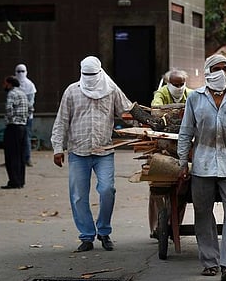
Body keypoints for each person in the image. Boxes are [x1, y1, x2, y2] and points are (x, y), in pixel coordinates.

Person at [177, 54, 226, 281]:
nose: (221, 72)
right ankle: (210, 261)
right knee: (203, 213)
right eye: (216, 68)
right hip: (202, 166)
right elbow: (186, 133)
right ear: (207, 71)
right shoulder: (195, 99)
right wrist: (183, 163)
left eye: (225, 68)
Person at [51, 56, 133, 252]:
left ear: (100, 72)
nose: (90, 79)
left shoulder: (111, 89)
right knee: (79, 196)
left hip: (104, 150)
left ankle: (104, 231)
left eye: (93, 75)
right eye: (86, 75)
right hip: (78, 152)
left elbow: (127, 111)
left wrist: (146, 123)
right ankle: (87, 236)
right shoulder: (72, 91)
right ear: (81, 73)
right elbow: (62, 120)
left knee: (107, 190)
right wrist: (57, 148)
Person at [148, 69, 192, 239]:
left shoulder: (191, 94)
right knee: (157, 188)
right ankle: (156, 226)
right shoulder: (161, 93)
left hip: (188, 144)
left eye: (181, 84)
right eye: (175, 84)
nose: (179, 87)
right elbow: (155, 108)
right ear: (168, 83)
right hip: (165, 144)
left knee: (183, 190)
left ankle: (174, 225)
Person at [1, 76, 29, 189]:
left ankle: (13, 181)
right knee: (20, 155)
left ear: (9, 84)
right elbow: (30, 108)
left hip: (13, 127)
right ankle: (20, 180)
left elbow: (9, 109)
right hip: (23, 127)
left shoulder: (11, 94)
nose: (3, 86)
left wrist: (8, 120)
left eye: (4, 83)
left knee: (11, 155)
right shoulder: (23, 93)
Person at [15, 64, 37, 167]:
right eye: (18, 71)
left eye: (22, 71)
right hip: (15, 117)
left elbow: (31, 102)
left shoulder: (29, 85)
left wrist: (27, 113)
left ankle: (27, 158)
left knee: (26, 138)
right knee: (15, 139)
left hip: (27, 117)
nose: (20, 74)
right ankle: (16, 159)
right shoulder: (14, 83)